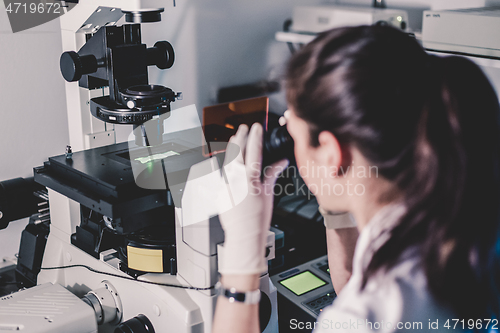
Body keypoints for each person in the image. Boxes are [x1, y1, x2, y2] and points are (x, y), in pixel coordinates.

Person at [212, 25, 500, 333]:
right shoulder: (460, 229)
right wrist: (336, 186)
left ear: (332, 152)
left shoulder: (362, 319)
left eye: (291, 132)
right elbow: (352, 284)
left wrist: (242, 258)